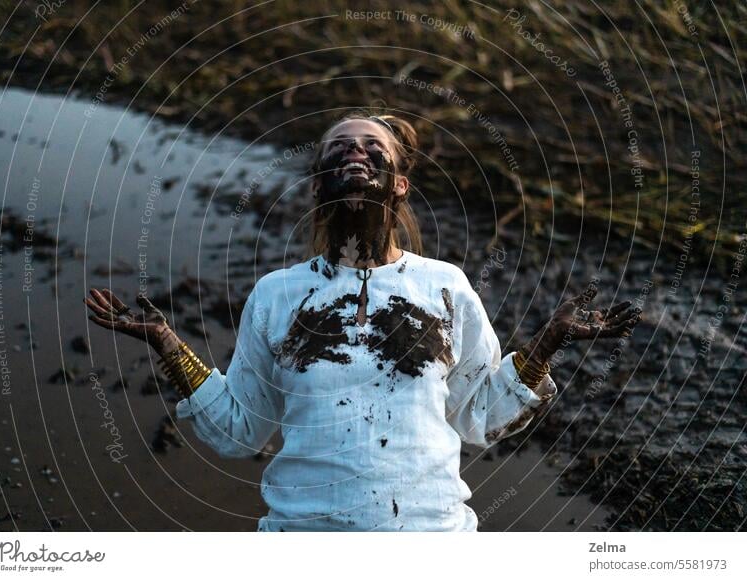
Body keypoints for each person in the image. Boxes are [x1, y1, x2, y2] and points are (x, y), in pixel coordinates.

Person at [84, 112, 641, 531]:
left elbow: (478, 416)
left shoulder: (444, 286)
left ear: (400, 182)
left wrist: (547, 345)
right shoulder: (277, 295)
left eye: (374, 147)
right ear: (317, 186)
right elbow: (241, 428)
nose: (357, 152)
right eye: (340, 148)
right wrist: (166, 343)